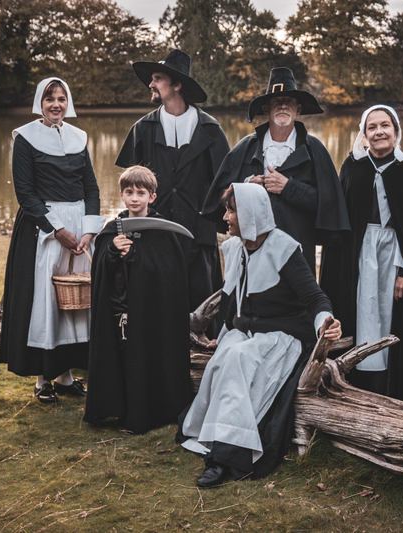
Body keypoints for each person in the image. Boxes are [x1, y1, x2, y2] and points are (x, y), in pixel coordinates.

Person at [178, 183, 342, 488]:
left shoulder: (284, 249)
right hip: (248, 333)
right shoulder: (236, 247)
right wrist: (223, 334)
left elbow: (314, 298)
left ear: (251, 215)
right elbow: (231, 302)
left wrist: (325, 322)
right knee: (226, 353)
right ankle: (214, 437)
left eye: (231, 210)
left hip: (282, 337)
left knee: (238, 357)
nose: (225, 217)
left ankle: (223, 457)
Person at [320, 105, 403, 407]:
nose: (379, 132)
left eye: (385, 125)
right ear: (364, 133)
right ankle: (358, 381)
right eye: (372, 127)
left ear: (396, 131)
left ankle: (393, 387)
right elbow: (340, 218)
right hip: (359, 254)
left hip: (394, 253)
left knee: (391, 315)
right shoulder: (352, 167)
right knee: (363, 312)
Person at [0, 77, 105, 404]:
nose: (56, 104)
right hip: (43, 229)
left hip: (79, 230)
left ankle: (66, 376)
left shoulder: (78, 137)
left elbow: (91, 189)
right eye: (50, 99)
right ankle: (43, 380)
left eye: (61, 98)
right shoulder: (26, 138)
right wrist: (58, 230)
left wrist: (88, 230)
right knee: (47, 303)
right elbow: (25, 194)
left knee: (76, 305)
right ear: (39, 103)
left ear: (67, 102)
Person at [115, 50, 230, 326]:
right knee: (155, 304)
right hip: (154, 234)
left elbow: (224, 185)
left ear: (177, 85)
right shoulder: (142, 129)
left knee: (203, 307)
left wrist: (208, 220)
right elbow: (131, 185)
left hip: (199, 239)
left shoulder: (210, 130)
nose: (151, 85)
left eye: (157, 79)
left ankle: (204, 364)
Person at [201, 67, 350, 273]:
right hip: (252, 250)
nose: (283, 105)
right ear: (266, 110)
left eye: (289, 101)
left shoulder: (315, 149)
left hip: (297, 250)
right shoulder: (245, 148)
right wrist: (245, 189)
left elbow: (330, 205)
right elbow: (218, 200)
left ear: (298, 110)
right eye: (276, 102)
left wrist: (289, 187)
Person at [83, 166, 192, 435]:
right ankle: (118, 409)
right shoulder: (111, 230)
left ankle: (144, 414)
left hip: (151, 313)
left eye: (141, 193)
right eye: (129, 192)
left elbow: (169, 275)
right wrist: (111, 251)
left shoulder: (163, 232)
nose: (134, 198)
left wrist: (135, 258)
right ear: (121, 195)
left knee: (144, 360)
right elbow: (99, 271)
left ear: (152, 197)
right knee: (120, 361)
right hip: (118, 309)